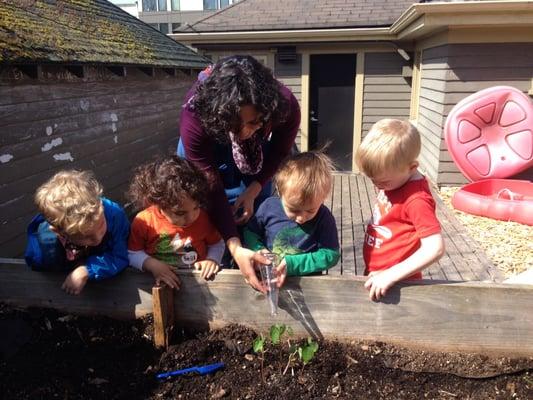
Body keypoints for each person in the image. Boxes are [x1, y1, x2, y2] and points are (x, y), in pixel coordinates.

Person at [179, 55, 301, 292]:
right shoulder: (194, 115)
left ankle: (252, 257)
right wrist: (232, 245)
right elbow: (210, 185)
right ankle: (221, 257)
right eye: (236, 125)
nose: (244, 132)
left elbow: (279, 152)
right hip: (211, 144)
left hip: (256, 155)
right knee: (205, 209)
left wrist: (254, 190)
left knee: (251, 216)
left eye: (253, 122)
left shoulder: (285, 105)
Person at [355, 119, 445, 301]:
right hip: (377, 277)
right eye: (372, 180)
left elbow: (435, 248)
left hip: (399, 287)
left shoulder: (416, 200)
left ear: (412, 168)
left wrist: (390, 275)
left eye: (383, 182)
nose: (377, 186)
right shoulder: (395, 180)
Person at [24, 170, 130, 295]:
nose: (97, 239)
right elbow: (36, 265)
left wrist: (86, 269)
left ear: (100, 206)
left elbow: (119, 255)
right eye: (86, 236)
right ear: (59, 232)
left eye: (101, 225)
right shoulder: (46, 240)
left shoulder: (114, 216)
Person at [244, 151, 340, 286]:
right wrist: (258, 251)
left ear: (323, 198)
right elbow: (250, 233)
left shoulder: (324, 218)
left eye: (311, 210)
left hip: (308, 285)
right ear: (279, 190)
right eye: (294, 209)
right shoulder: (268, 207)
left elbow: (331, 255)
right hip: (269, 280)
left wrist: (293, 264)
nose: (301, 218)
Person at [127, 156, 224, 288]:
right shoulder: (144, 221)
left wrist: (212, 260)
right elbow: (132, 253)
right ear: (159, 203)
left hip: (199, 285)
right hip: (159, 285)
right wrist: (152, 265)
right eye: (180, 213)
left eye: (196, 207)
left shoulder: (203, 218)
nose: (191, 217)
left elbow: (217, 244)